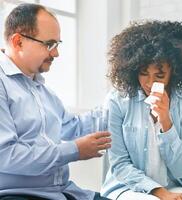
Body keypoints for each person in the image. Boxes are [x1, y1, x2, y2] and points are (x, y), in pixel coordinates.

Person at [0, 3, 111, 200]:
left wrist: (122, 100)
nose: (56, 53)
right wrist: (74, 150)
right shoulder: (3, 85)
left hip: (62, 191)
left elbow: (72, 127)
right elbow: (5, 156)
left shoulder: (42, 91)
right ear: (18, 41)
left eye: (57, 45)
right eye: (49, 44)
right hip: (20, 195)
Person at [100, 20, 182, 200]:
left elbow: (181, 169)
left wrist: (165, 120)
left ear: (174, 69)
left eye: (159, 75)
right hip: (127, 187)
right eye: (143, 73)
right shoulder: (117, 101)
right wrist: (159, 193)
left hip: (174, 186)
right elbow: (120, 164)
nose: (149, 83)